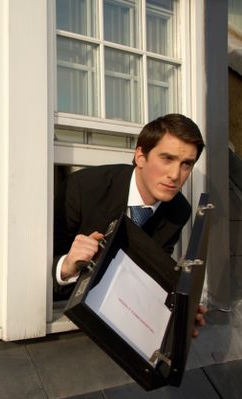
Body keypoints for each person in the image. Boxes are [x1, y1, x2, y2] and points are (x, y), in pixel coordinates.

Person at [53, 113, 207, 334]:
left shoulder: (178, 210)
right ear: (140, 156)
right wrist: (66, 266)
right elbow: (38, 268)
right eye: (167, 158)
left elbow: (149, 272)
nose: (175, 175)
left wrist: (178, 310)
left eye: (186, 164)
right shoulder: (82, 189)